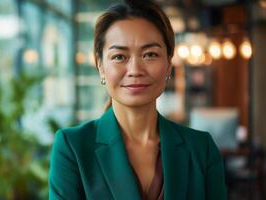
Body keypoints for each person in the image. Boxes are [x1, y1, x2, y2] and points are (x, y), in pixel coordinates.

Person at [49, 0, 227, 199]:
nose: (135, 70)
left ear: (168, 65)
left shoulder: (202, 149)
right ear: (100, 66)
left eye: (150, 54)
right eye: (119, 57)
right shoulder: (72, 147)